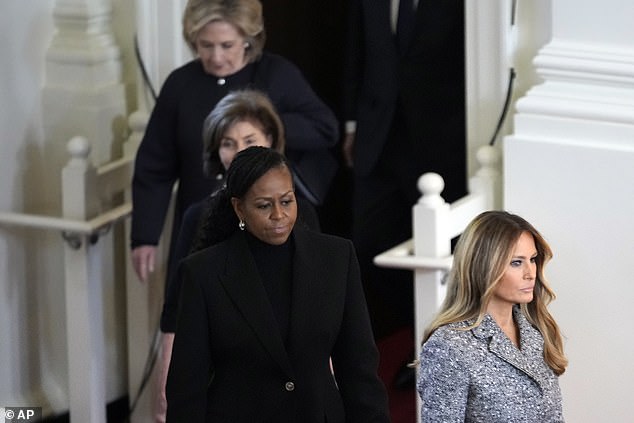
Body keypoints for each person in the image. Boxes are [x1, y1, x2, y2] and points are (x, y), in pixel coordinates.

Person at [166, 146, 389, 422]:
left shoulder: (336, 259)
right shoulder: (203, 273)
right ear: (239, 208)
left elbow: (359, 373)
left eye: (286, 201)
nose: (279, 215)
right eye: (263, 205)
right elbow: (187, 390)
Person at [130, 0, 339, 285]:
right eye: (205, 45)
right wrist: (144, 236)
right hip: (200, 231)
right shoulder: (180, 85)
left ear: (248, 39)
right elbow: (154, 166)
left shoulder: (276, 74)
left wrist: (265, 124)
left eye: (226, 45)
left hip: (268, 235)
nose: (216, 57)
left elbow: (325, 128)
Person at [154, 89, 321, 420]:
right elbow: (175, 309)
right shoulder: (196, 217)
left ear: (271, 141)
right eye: (228, 143)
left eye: (249, 140)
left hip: (290, 371)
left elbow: (320, 301)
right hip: (222, 376)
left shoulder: (301, 213)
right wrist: (165, 382)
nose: (238, 152)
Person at [342, 0, 468, 389]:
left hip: (441, 144)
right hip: (379, 139)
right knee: (367, 248)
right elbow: (355, 53)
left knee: (446, 254)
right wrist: (351, 124)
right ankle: (415, 332)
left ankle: (431, 353)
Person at [417, 211, 568, 422]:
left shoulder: (535, 331)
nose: (530, 273)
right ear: (483, 266)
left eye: (532, 259)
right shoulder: (449, 346)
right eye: (516, 262)